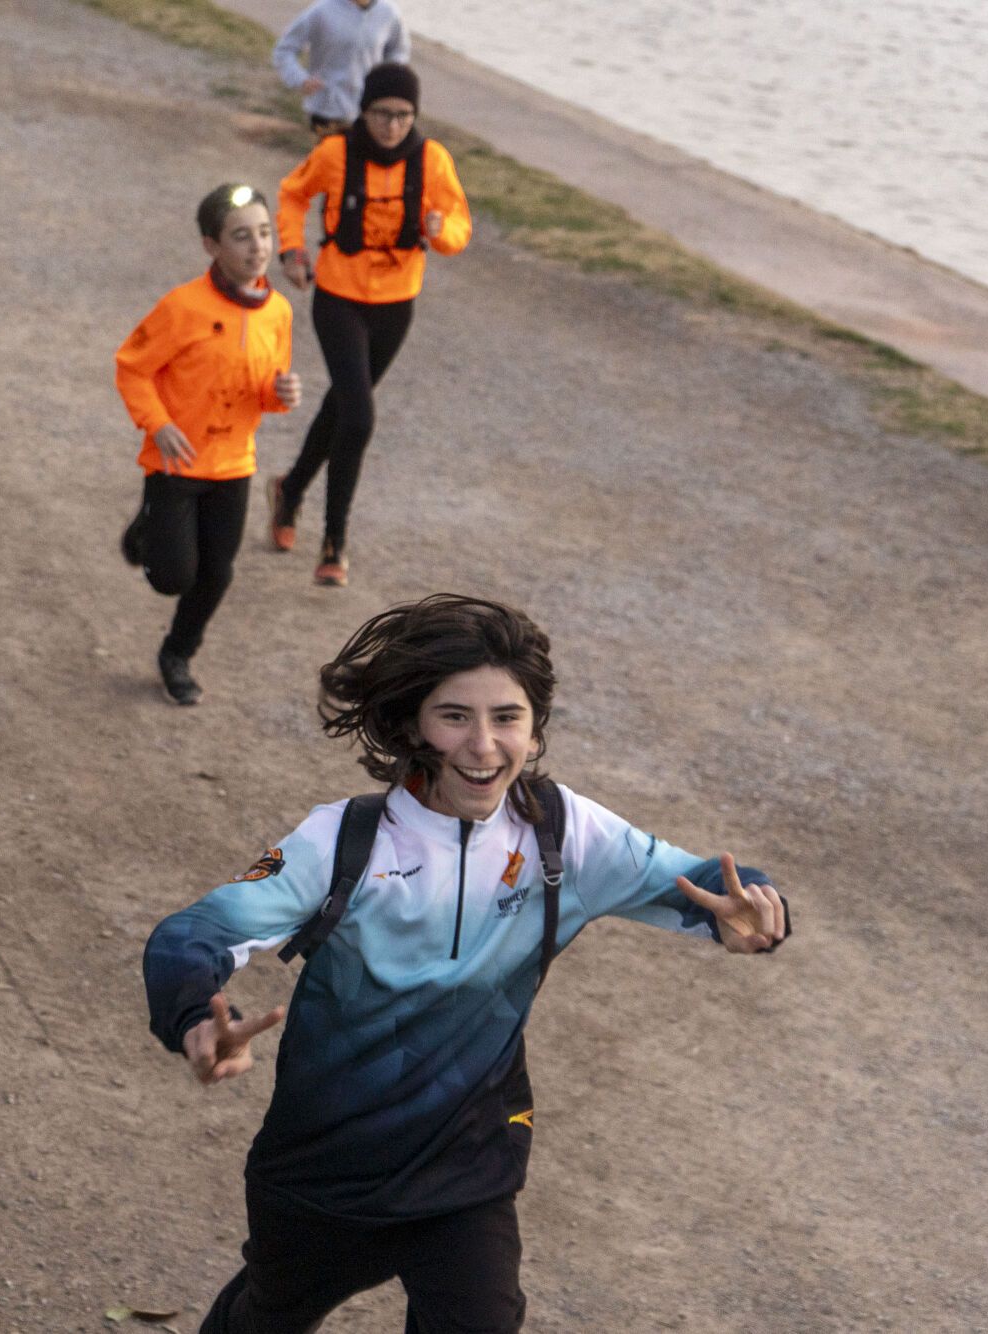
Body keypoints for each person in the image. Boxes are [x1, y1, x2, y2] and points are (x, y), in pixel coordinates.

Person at [143, 594, 792, 1332]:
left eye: (507, 717)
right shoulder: (342, 843)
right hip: (324, 1171)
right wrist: (195, 1017)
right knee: (269, 1315)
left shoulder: (563, 832)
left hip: (469, 1163)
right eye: (455, 716)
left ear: (535, 727)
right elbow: (191, 935)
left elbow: (704, 881)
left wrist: (755, 907)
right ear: (409, 724)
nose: (485, 746)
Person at [268, 63, 469, 588]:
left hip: (397, 302)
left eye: (404, 116)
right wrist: (291, 251)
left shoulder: (432, 160)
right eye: (382, 114)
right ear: (365, 111)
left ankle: (289, 490)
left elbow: (459, 223)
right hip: (338, 297)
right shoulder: (335, 153)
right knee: (358, 416)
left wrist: (440, 230)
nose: (392, 126)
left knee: (342, 405)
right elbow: (292, 193)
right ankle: (334, 542)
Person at [114, 184, 302, 706]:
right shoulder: (182, 307)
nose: (258, 247)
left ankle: (177, 653)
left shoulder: (279, 312)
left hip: (233, 464)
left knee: (216, 574)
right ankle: (150, 527)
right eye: (241, 236)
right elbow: (132, 369)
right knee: (173, 578)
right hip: (176, 462)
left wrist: (280, 393)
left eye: (264, 233)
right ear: (210, 245)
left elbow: (266, 389)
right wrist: (157, 423)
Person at [272, 0, 412, 136]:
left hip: (370, 111)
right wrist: (300, 79)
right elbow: (284, 49)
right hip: (327, 110)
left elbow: (399, 51)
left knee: (362, 159)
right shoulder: (322, 10)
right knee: (329, 158)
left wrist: (388, 81)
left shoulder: (389, 12)